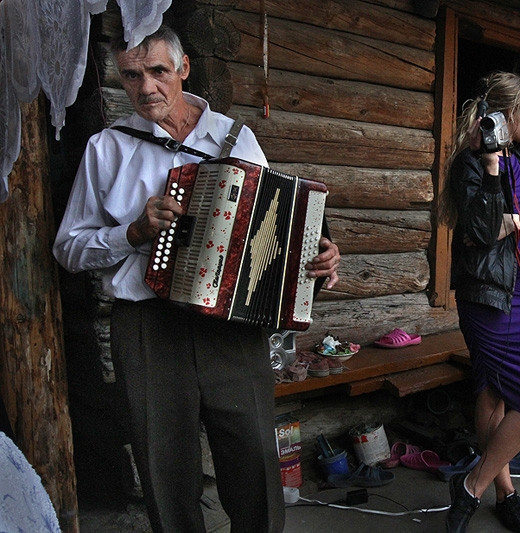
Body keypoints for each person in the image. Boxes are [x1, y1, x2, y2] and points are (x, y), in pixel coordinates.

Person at [52, 26, 340, 532]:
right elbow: (68, 249)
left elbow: (274, 224)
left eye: (158, 72)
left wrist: (315, 259)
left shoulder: (237, 138)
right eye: (131, 75)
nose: (145, 88)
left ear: (183, 69)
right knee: (165, 470)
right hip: (146, 328)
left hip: (231, 327)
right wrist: (134, 232)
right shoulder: (107, 148)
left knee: (253, 459)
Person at [439, 71, 520, 532]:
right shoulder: (471, 164)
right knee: (492, 390)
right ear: (507, 114)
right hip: (491, 295)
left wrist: (513, 221)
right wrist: (492, 168)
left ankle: (472, 484)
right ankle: (505, 493)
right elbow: (479, 230)